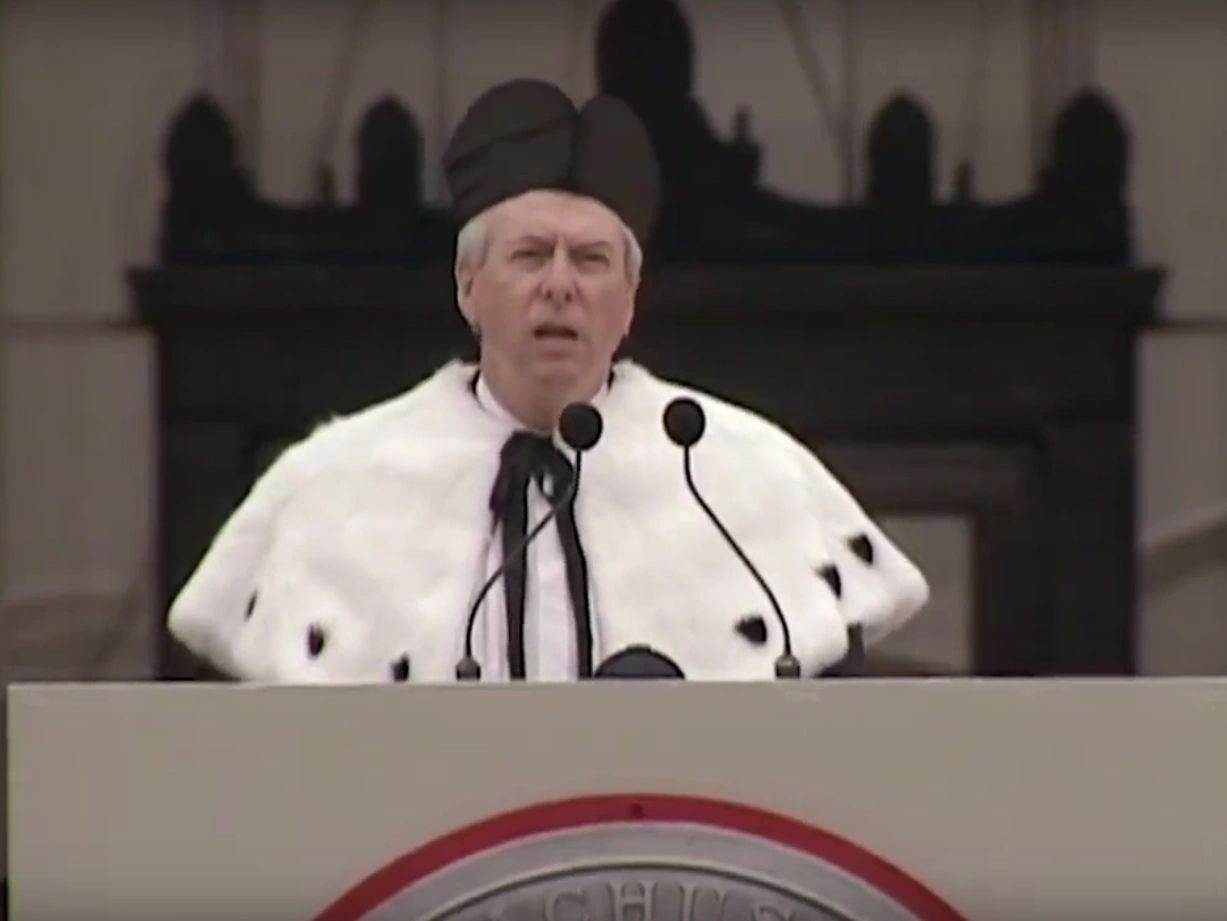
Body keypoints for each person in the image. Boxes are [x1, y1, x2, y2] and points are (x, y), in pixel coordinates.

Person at [167, 79, 929, 683]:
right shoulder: (334, 483)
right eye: (530, 255)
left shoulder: (740, 471)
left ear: (629, 299)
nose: (560, 286)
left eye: (591, 260)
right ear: (468, 285)